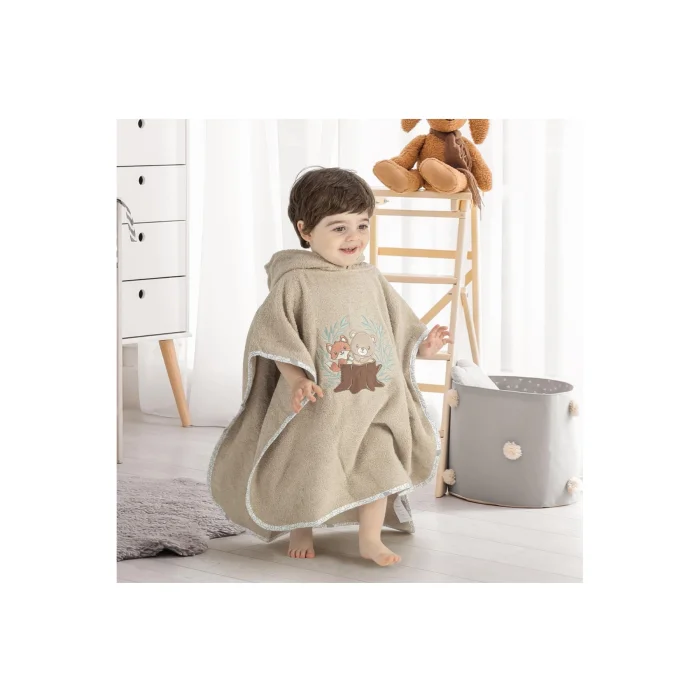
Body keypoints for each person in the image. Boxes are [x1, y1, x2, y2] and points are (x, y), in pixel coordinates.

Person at [208, 167, 452, 567]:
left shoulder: (370, 278)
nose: (354, 237)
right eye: (339, 228)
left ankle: (369, 539)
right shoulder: (296, 283)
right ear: (305, 231)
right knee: (311, 467)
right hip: (321, 405)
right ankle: (301, 527)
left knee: (380, 463)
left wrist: (423, 346)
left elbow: (397, 328)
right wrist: (297, 380)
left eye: (362, 225)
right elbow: (276, 339)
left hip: (374, 401)